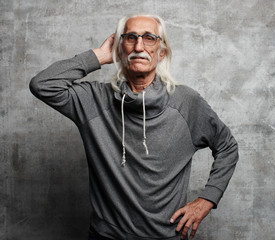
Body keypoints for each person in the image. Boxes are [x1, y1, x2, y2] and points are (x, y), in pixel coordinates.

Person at [30, 14, 238, 240]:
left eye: (149, 38)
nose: (139, 46)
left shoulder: (186, 102)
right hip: (105, 236)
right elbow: (43, 85)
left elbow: (227, 147)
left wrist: (208, 199)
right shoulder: (94, 100)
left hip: (166, 235)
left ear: (162, 52)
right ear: (120, 50)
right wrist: (99, 56)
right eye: (130, 38)